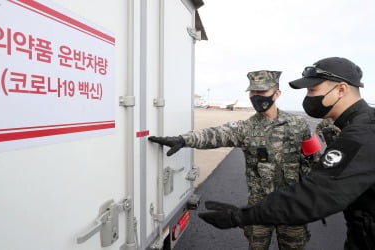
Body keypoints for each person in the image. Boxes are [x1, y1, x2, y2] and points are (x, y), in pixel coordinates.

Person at [197, 57, 375, 250]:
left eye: (313, 90)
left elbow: (319, 190)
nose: (308, 97)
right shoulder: (354, 127)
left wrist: (241, 216)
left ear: (341, 90)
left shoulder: (360, 133)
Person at [149, 70, 320, 250]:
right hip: (258, 210)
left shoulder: (299, 125)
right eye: (253, 92)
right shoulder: (246, 128)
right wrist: (182, 140)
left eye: (261, 92)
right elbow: (216, 134)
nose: (256, 97)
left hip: (292, 207)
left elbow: (314, 162)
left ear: (277, 93)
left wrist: (312, 199)